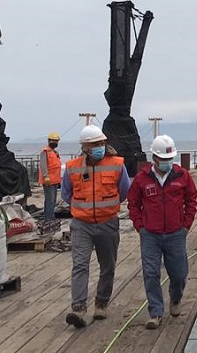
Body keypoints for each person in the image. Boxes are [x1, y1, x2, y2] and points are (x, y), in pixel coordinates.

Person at [127, 135, 197, 330]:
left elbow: (191, 200)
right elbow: (133, 203)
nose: (167, 162)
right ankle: (155, 312)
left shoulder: (182, 176)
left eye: (170, 158)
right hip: (150, 234)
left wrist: (186, 225)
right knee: (151, 273)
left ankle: (175, 298)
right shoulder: (142, 179)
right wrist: (140, 227)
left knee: (179, 273)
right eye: (163, 159)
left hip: (176, 233)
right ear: (154, 158)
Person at [63, 124, 131, 328]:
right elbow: (66, 194)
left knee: (107, 265)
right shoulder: (73, 167)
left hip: (107, 222)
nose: (99, 147)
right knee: (80, 265)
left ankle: (101, 303)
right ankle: (78, 308)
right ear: (85, 147)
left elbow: (124, 190)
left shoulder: (117, 164)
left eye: (101, 143)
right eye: (94, 144)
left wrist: (107, 207)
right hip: (81, 224)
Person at [38, 131, 62, 226]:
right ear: (49, 141)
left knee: (53, 201)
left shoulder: (54, 152)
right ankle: (48, 219)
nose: (55, 142)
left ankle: (51, 217)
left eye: (56, 141)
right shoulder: (45, 152)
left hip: (55, 180)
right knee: (50, 200)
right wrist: (46, 176)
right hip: (48, 180)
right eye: (53, 140)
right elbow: (43, 165)